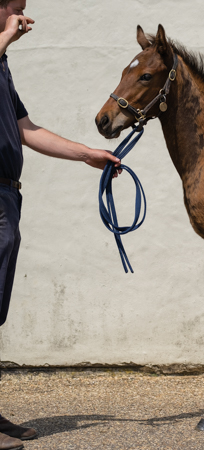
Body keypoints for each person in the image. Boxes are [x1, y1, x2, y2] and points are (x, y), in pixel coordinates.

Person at [0, 1, 120, 448]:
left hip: (7, 195)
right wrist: (7, 37)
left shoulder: (3, 68)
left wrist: (87, 153)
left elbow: (27, 129)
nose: (23, 16)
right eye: (15, 7)